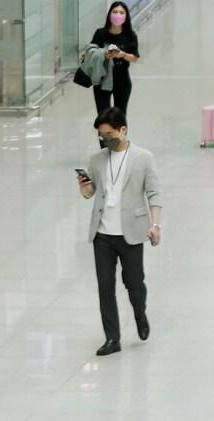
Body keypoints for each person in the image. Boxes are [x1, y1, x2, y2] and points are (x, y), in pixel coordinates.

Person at [77, 107, 162, 357]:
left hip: (132, 231)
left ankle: (139, 312)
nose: (106, 139)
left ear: (123, 130)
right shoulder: (96, 160)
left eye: (110, 134)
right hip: (102, 234)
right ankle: (112, 338)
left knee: (134, 283)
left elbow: (154, 193)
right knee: (105, 287)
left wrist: (155, 225)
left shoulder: (143, 158)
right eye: (102, 136)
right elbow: (90, 193)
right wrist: (84, 187)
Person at [90, 2, 139, 112]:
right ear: (109, 14)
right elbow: (90, 53)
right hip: (102, 79)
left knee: (120, 116)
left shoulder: (130, 35)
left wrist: (123, 54)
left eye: (121, 12)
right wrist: (104, 54)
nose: (118, 15)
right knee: (103, 116)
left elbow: (135, 57)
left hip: (122, 79)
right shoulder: (100, 33)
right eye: (115, 12)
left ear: (126, 16)